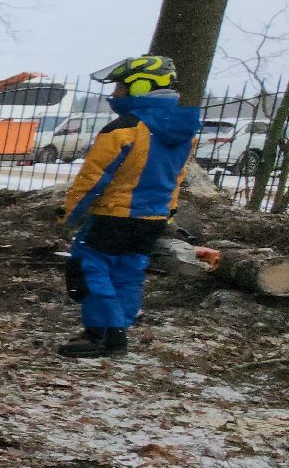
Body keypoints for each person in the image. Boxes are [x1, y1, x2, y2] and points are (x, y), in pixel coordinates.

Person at [55, 55, 200, 358]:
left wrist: (70, 212)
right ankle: (117, 332)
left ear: (141, 86)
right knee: (129, 273)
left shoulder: (124, 129)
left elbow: (93, 177)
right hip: (153, 217)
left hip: (114, 215)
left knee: (89, 269)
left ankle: (102, 335)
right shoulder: (183, 130)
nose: (115, 93)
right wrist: (168, 212)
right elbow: (176, 177)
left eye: (121, 86)